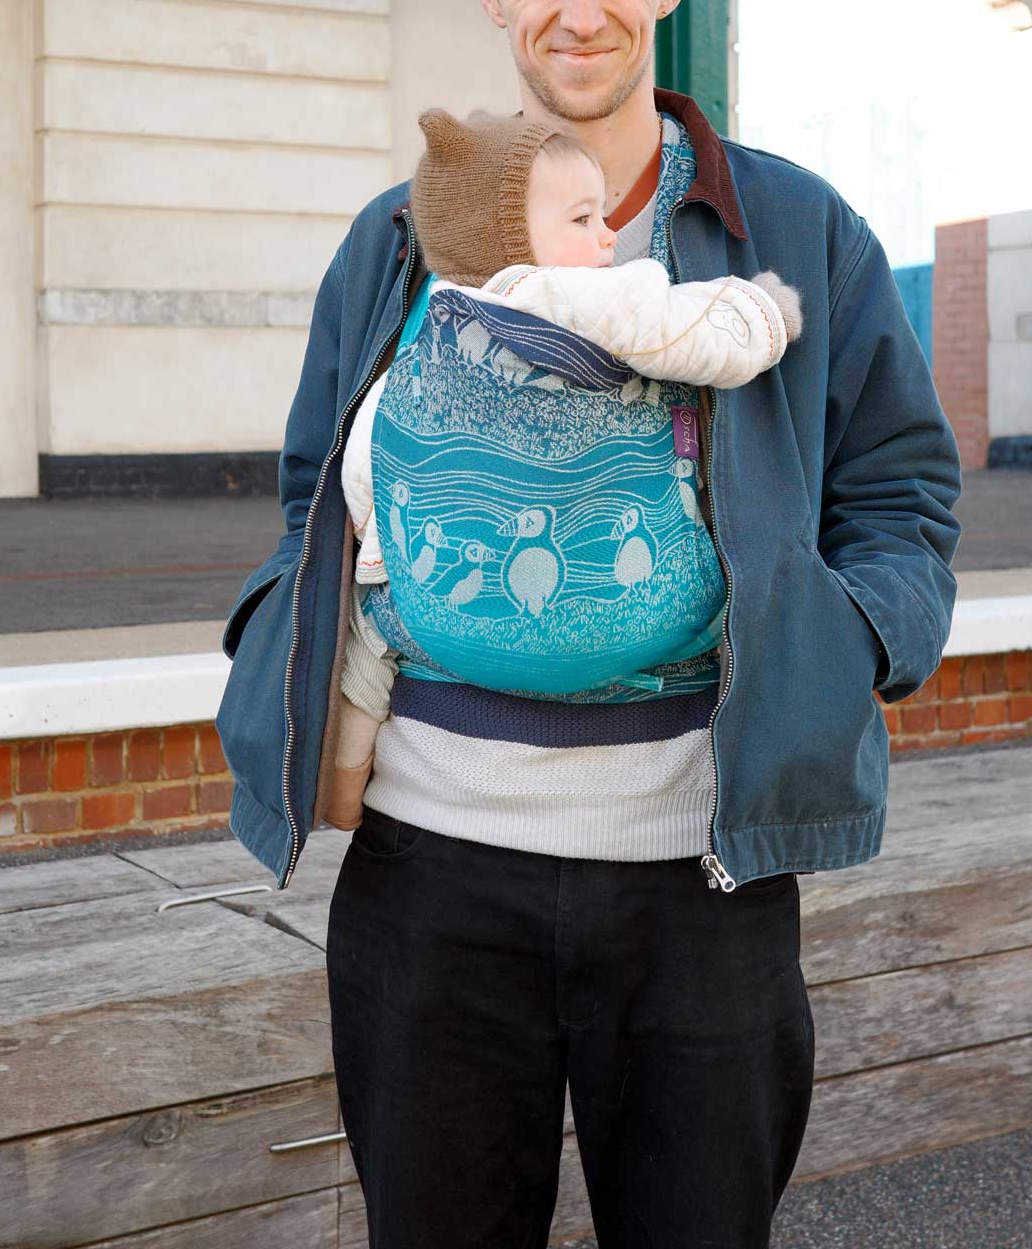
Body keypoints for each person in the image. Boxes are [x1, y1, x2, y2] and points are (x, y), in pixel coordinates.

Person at [215, 0, 961, 1249]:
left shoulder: (794, 231)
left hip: (702, 872)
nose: (581, 10)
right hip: (429, 864)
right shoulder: (397, 235)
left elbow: (902, 491)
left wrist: (848, 642)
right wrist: (291, 657)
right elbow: (315, 495)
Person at [325, 104, 805, 834]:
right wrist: (766, 310)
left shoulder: (430, 327)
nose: (608, 234)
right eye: (582, 220)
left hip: (443, 633)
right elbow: (696, 333)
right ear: (510, 238)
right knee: (728, 593)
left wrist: (383, 557)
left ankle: (342, 776)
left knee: (374, 635)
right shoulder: (577, 294)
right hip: (652, 629)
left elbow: (372, 456)